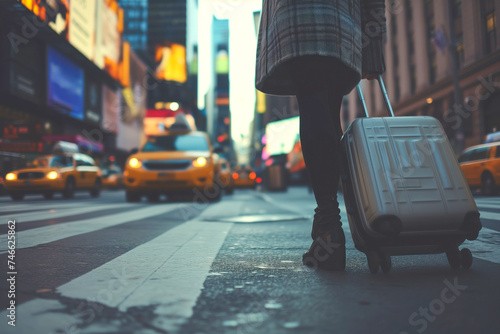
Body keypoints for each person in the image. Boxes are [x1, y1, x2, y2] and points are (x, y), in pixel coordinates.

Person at [256, 0, 387, 271]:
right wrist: (373, 49)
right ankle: (329, 229)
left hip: (297, 16)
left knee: (313, 102)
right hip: (343, 22)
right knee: (329, 112)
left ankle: (329, 229)